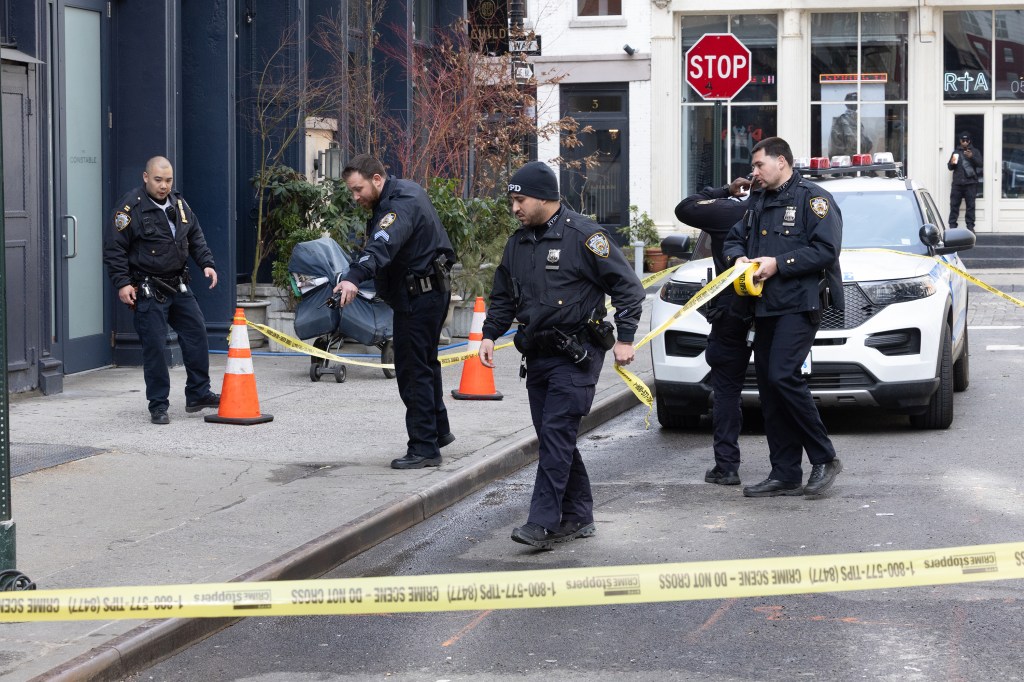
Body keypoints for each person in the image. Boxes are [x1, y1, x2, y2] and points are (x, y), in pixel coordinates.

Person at [479, 161, 646, 549]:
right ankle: (578, 515)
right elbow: (504, 295)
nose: (515, 208)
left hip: (577, 354)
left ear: (544, 198)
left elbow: (629, 289)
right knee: (555, 438)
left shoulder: (586, 237)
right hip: (536, 353)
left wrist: (625, 338)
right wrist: (489, 334)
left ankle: (540, 523)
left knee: (555, 434)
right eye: (512, 201)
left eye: (520, 200)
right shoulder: (517, 242)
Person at [723, 137, 845, 498]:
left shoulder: (813, 200)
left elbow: (826, 250)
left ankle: (824, 456)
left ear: (782, 162)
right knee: (769, 387)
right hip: (763, 307)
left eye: (759, 165)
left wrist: (780, 264)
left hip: (799, 303)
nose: (754, 172)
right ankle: (785, 472)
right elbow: (733, 240)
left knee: (782, 375)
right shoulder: (757, 201)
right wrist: (738, 260)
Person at [332, 154, 457, 470]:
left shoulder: (398, 204)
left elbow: (381, 244)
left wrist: (353, 278)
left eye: (358, 189)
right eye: (352, 191)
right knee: (426, 365)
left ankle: (424, 448)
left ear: (377, 179)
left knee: (413, 372)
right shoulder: (401, 193)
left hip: (420, 297)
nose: (355, 196)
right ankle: (437, 432)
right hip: (427, 292)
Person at [103, 156, 221, 425]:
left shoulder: (180, 204)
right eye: (158, 180)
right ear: (146, 177)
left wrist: (207, 264)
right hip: (148, 287)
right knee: (155, 348)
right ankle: (158, 405)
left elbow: (195, 235)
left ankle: (198, 393)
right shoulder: (129, 208)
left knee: (196, 334)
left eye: (168, 180)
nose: (164, 185)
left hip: (178, 284)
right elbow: (114, 248)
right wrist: (122, 283)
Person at [674, 176, 755, 486]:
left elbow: (686, 208)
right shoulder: (786, 212)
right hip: (773, 312)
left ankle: (727, 466)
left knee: (726, 389)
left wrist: (725, 191)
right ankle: (785, 468)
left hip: (732, 312)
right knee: (780, 388)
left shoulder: (728, 212)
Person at [948, 131, 983, 232]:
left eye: (967, 140)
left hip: (970, 183)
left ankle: (970, 227)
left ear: (969, 141)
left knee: (970, 206)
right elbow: (950, 167)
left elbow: (980, 164)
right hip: (957, 184)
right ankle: (952, 227)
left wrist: (971, 157)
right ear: (960, 141)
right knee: (954, 205)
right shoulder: (955, 152)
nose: (965, 142)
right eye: (963, 140)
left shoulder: (975, 151)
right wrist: (953, 162)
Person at [828, 92, 872, 158]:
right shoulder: (840, 121)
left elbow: (867, 143)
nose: (858, 103)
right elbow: (835, 147)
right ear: (848, 103)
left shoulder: (858, 122)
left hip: (860, 160)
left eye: (858, 101)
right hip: (846, 162)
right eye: (855, 100)